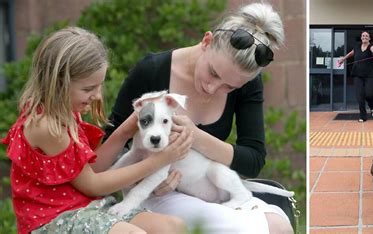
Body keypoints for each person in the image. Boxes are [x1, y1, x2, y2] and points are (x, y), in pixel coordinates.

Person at [104, 2, 293, 233]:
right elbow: (110, 144)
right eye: (213, 73)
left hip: (209, 186)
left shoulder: (248, 82)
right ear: (206, 42)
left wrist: (195, 137)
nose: (213, 88)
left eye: (230, 87)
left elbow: (253, 160)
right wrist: (143, 173)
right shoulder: (151, 70)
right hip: (158, 192)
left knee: (279, 225)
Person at [2, 27, 191, 234]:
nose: (97, 95)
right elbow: (92, 184)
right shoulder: (47, 126)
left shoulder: (66, 111)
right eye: (88, 89)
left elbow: (93, 170)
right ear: (58, 84)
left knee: (174, 227)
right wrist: (158, 161)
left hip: (86, 207)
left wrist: (124, 131)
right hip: (54, 220)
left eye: (99, 86)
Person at [338, 31, 373, 122]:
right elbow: (351, 53)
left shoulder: (371, 46)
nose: (365, 37)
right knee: (359, 96)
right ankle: (363, 116)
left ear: (369, 38)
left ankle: (372, 107)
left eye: (366, 36)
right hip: (357, 74)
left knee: (369, 93)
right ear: (361, 37)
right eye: (363, 36)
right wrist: (343, 59)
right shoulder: (356, 46)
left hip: (370, 75)